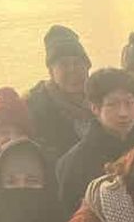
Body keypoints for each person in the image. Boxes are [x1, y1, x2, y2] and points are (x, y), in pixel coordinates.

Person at [57, 68, 134, 216]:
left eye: (129, 102)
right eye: (112, 104)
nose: (123, 113)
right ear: (95, 108)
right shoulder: (75, 162)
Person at [26, 25, 92, 165]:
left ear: (88, 67)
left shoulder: (102, 98)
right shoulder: (35, 106)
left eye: (77, 63)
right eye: (64, 65)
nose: (72, 70)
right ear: (51, 72)